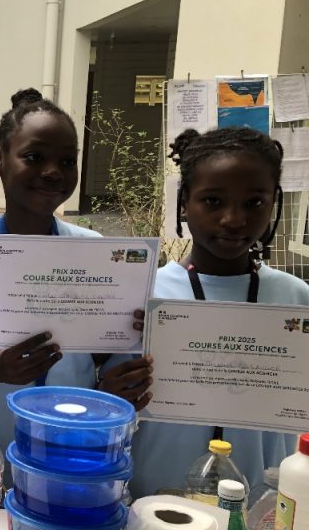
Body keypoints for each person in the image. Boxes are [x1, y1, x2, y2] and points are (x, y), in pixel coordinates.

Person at [0, 88, 148, 478]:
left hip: (76, 449)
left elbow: (102, 357)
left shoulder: (96, 253)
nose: (53, 172)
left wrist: (125, 341)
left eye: (67, 161)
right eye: (34, 157)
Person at [128, 126, 308, 498]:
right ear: (184, 202)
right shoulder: (146, 296)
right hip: (156, 502)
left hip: (259, 507)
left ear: (273, 202)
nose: (233, 219)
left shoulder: (295, 299)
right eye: (213, 201)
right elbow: (113, 404)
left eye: (254, 202)